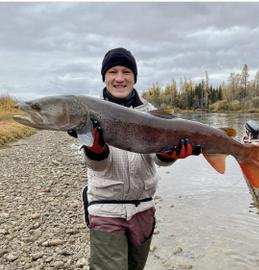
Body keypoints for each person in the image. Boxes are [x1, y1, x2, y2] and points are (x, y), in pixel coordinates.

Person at [68, 48, 201, 270]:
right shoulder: (88, 114)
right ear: (104, 77)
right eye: (112, 71)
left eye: (126, 72)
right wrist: (96, 149)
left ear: (134, 77)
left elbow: (159, 160)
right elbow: (98, 166)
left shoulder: (152, 113)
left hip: (143, 209)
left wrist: (169, 154)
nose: (119, 78)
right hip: (105, 208)